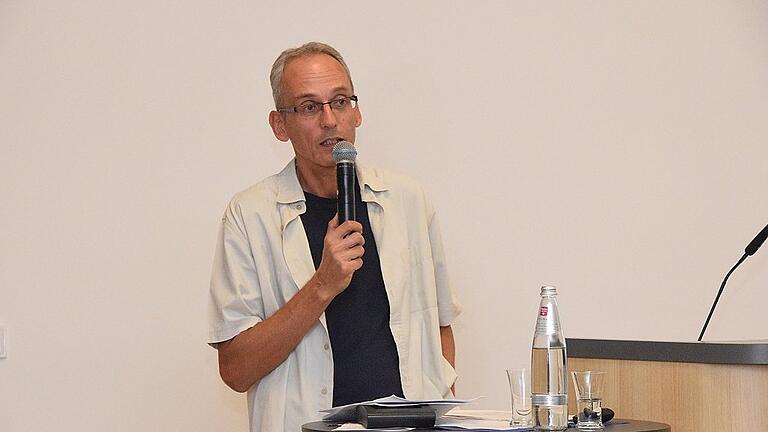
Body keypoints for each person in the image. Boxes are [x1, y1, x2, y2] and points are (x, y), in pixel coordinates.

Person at [208, 42, 461, 432]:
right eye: (310, 107)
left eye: (340, 102)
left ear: (357, 112)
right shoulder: (249, 215)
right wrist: (322, 285)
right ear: (280, 124)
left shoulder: (408, 200)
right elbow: (236, 370)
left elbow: (440, 326)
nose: (330, 120)